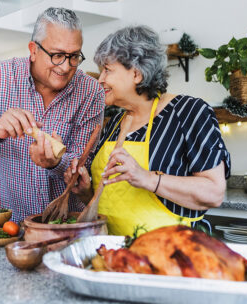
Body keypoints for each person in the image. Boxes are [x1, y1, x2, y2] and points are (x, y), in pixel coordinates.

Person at [0, 7, 105, 223]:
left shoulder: (90, 91)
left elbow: (83, 165)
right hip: (8, 226)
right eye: (57, 55)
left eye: (74, 56)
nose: (65, 67)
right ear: (33, 50)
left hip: (67, 223)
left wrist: (56, 164)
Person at [65, 26, 230, 236]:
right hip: (114, 253)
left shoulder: (189, 112)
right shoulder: (116, 122)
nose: (101, 79)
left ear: (136, 73)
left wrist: (148, 178)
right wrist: (86, 191)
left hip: (170, 254)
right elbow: (112, 201)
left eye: (107, 69)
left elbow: (214, 192)